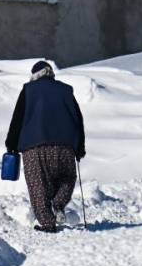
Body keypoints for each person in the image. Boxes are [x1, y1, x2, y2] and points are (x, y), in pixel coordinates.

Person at [5, 60, 86, 233]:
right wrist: (79, 147)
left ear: (34, 75)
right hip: (65, 147)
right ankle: (58, 204)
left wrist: (11, 144)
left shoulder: (28, 90)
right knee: (67, 177)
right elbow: (78, 119)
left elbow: (18, 118)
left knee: (38, 185)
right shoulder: (66, 90)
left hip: (34, 147)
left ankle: (47, 222)